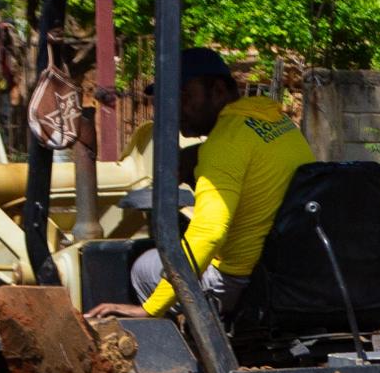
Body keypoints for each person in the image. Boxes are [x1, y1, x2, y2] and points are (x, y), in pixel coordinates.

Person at [126, 46, 313, 317]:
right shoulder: (276, 122)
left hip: (238, 280)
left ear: (218, 91)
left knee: (143, 266)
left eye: (184, 96)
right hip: (289, 268)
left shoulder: (223, 146)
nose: (175, 109)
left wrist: (150, 308)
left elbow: (209, 233)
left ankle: (186, 355)